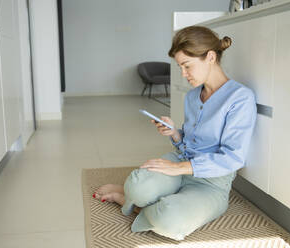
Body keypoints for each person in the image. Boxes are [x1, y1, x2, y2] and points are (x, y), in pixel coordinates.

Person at [92, 26, 257, 241]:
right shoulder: (192, 96)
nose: (183, 74)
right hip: (179, 163)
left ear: (210, 57)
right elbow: (189, 143)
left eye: (187, 66)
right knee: (137, 186)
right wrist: (175, 134)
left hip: (211, 184)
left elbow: (233, 157)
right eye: (180, 67)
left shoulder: (240, 98)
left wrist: (178, 168)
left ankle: (130, 202)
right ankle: (135, 195)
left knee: (171, 219)